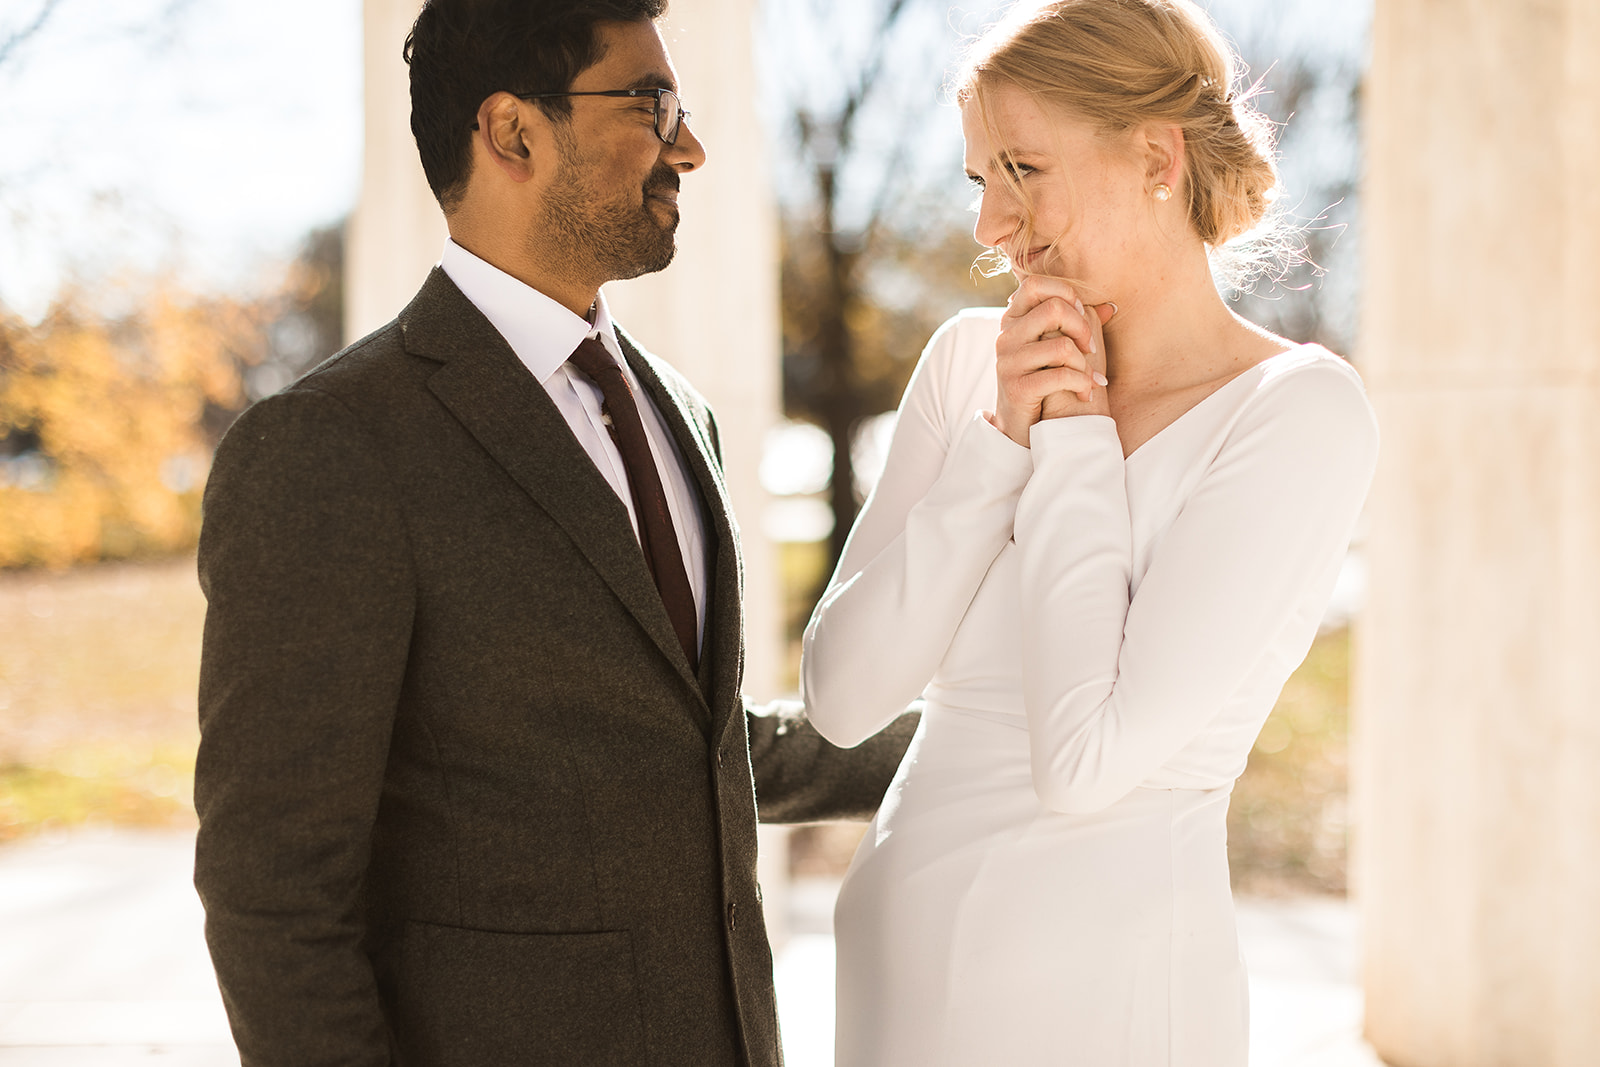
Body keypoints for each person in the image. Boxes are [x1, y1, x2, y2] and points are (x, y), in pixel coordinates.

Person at [192, 2, 914, 1064]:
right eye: (652, 103)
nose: (692, 147)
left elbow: (695, 744)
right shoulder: (329, 448)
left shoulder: (679, 412)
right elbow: (273, 887)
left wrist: (978, 736)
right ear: (513, 132)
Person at [800, 0, 1380, 1063]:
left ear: (1156, 157)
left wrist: (1070, 437)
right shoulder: (968, 366)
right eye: (982, 179)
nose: (988, 225)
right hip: (894, 991)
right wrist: (995, 450)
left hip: (1104, 1006)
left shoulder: (1297, 411)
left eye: (1022, 167)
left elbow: (1085, 757)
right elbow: (841, 697)